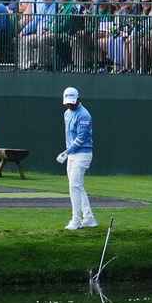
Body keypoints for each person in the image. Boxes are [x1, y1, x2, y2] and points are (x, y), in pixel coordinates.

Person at [56, 86, 96, 230]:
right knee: (77, 186)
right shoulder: (67, 113)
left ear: (78, 99)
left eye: (71, 102)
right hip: (72, 154)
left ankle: (76, 220)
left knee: (74, 186)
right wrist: (68, 153)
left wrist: (66, 152)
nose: (69, 104)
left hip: (83, 154)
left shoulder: (84, 115)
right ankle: (89, 218)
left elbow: (81, 138)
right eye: (67, 102)